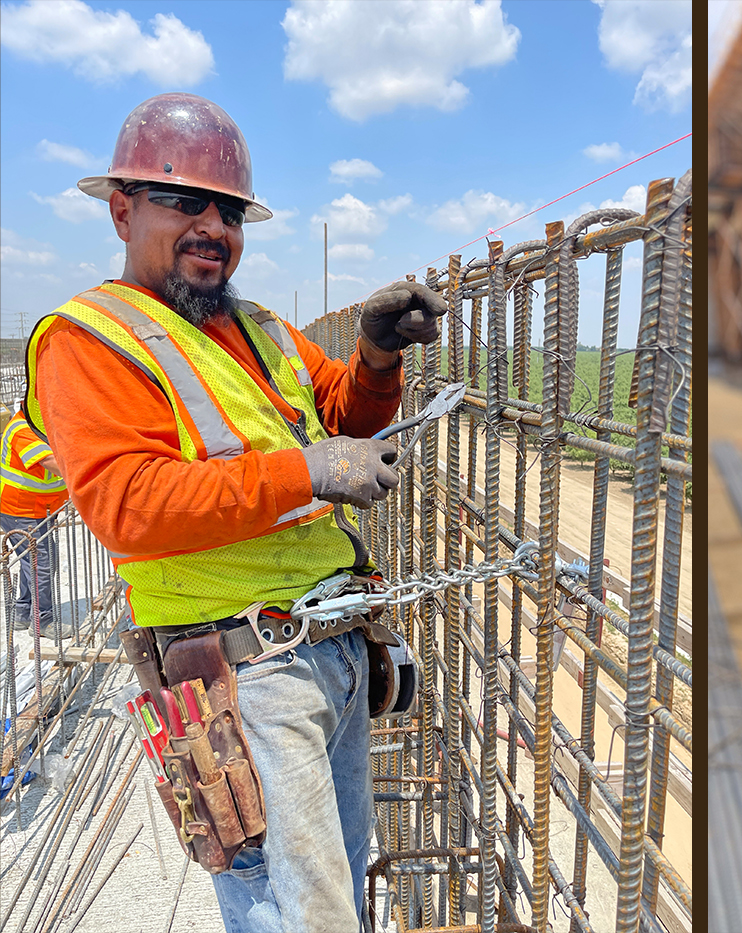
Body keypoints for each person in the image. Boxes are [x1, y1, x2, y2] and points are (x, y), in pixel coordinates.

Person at [22, 92, 446, 932]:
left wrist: (373, 356)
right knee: (298, 917)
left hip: (330, 653)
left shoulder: (253, 325)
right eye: (183, 201)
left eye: (230, 210)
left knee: (340, 900)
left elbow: (341, 413)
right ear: (121, 210)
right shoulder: (88, 339)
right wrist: (306, 473)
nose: (212, 226)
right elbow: (127, 505)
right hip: (243, 674)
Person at [0, 408, 68, 632]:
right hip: (21, 510)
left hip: (36, 508)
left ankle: (22, 613)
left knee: (31, 561)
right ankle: (42, 621)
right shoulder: (23, 429)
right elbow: (52, 462)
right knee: (42, 565)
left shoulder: (41, 425)